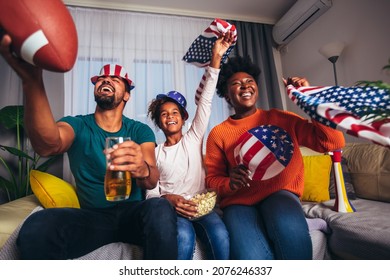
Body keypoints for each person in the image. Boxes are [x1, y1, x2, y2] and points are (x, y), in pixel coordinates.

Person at [0, 34, 178, 260]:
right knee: (39, 223)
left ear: (127, 95)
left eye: (115, 79)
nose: (106, 80)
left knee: (160, 209)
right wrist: (32, 82)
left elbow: (151, 180)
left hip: (132, 214)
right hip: (93, 218)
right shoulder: (78, 125)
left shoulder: (139, 130)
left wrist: (142, 169)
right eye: (101, 78)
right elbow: (47, 145)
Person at [204, 55, 345, 260]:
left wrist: (309, 98)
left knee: (289, 231)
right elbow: (212, 180)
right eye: (236, 83)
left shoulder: (282, 118)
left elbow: (332, 143)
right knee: (249, 257)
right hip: (239, 202)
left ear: (257, 87)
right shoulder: (218, 133)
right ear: (226, 95)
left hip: (280, 194)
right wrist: (229, 183)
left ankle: (299, 222)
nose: (245, 86)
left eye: (249, 81)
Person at [145, 32, 235, 260]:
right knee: (183, 238)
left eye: (175, 112)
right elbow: (150, 194)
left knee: (221, 235)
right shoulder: (155, 153)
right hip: (175, 212)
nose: (170, 117)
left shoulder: (193, 138)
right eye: (164, 114)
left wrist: (216, 59)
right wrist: (169, 200)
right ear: (159, 122)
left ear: (184, 118)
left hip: (203, 209)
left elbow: (205, 102)